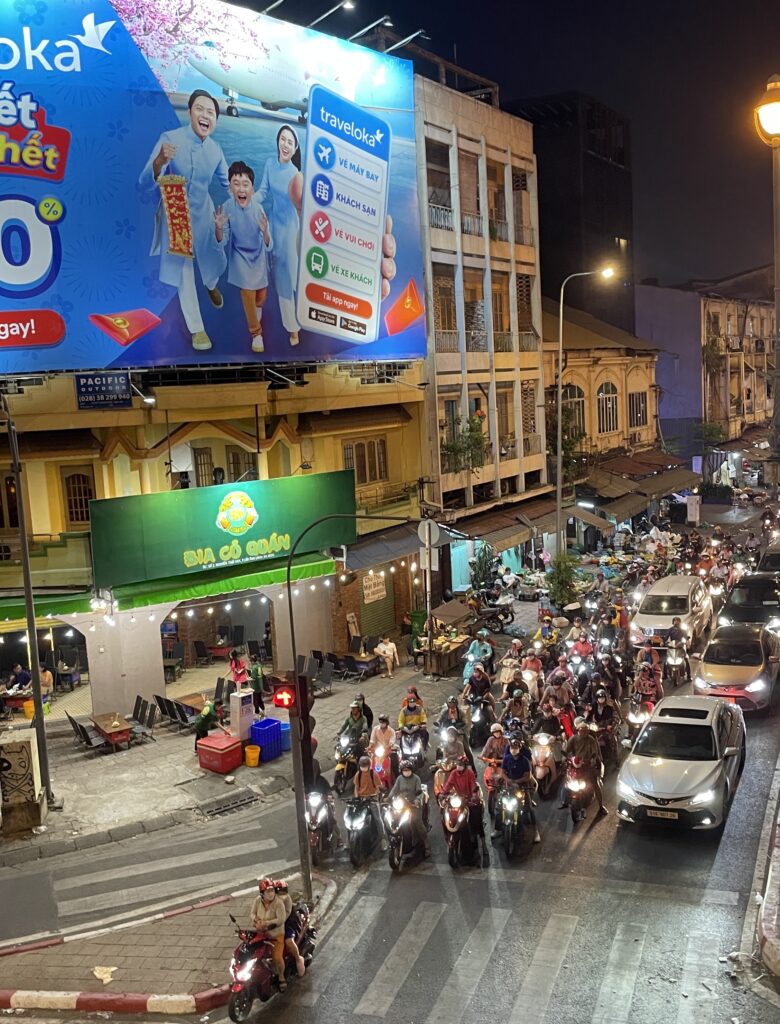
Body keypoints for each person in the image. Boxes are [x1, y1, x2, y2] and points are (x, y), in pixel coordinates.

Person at [139, 89, 228, 352]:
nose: (205, 115)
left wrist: (250, 199)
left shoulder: (215, 149)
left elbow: (228, 182)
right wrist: (159, 161)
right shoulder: (169, 139)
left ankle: (212, 285)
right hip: (175, 208)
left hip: (203, 211)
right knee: (184, 269)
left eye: (211, 112)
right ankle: (197, 328)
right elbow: (143, 182)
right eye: (199, 109)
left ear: (215, 121)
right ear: (189, 112)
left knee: (211, 258)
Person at [214, 160, 272, 352]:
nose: (241, 189)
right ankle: (256, 333)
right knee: (247, 292)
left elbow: (269, 245)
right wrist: (219, 228)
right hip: (239, 255)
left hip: (258, 257)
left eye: (245, 184)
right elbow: (223, 242)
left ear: (252, 189)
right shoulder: (227, 208)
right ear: (230, 188)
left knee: (260, 298)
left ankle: (256, 309)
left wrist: (265, 232)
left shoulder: (258, 209)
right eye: (236, 184)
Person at [255, 125, 304, 345]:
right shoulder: (269, 164)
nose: (285, 145)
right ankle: (292, 326)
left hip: (291, 230)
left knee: (292, 277)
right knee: (281, 277)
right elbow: (263, 192)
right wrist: (246, 199)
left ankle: (301, 321)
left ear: (295, 149)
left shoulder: (296, 174)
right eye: (282, 139)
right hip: (274, 226)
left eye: (290, 142)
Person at [496, 736, 540, 843]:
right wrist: (508, 780)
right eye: (511, 747)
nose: (513, 749)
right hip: (509, 786)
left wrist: (517, 782)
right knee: (499, 807)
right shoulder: (506, 759)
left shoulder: (524, 761)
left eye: (515, 747)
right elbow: (502, 772)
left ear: (519, 749)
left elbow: (527, 776)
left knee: (528, 808)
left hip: (523, 787)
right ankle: (498, 830)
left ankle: (536, 831)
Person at [563, 718, 607, 816]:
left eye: (586, 731)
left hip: (587, 766)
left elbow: (594, 752)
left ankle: (601, 806)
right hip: (576, 765)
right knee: (567, 781)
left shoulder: (591, 740)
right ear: (578, 730)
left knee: (595, 784)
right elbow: (567, 751)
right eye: (582, 730)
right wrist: (566, 758)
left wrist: (592, 760)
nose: (584, 732)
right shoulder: (573, 739)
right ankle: (565, 801)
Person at [251, 879, 290, 988]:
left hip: (276, 936)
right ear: (262, 893)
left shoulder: (278, 903)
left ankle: (281, 977)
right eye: (268, 892)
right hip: (261, 934)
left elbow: (281, 919)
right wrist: (256, 921)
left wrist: (266, 923)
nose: (271, 893)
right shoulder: (258, 901)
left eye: (272, 890)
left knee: (277, 958)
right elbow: (252, 913)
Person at [387, 760, 430, 856]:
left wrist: (417, 800)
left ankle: (426, 845)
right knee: (392, 818)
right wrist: (388, 798)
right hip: (401, 804)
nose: (406, 772)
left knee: (417, 822)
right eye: (404, 770)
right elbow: (394, 790)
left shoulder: (416, 779)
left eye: (408, 770)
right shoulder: (399, 779)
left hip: (413, 804)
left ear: (411, 770)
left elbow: (419, 793)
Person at [442, 755, 485, 839]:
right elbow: (448, 784)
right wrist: (442, 793)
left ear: (465, 765)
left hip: (469, 799)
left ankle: (482, 841)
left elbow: (473, 786)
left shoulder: (470, 773)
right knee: (447, 812)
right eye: (458, 764)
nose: (459, 766)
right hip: (458, 798)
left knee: (476, 817)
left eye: (461, 764)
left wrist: (474, 796)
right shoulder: (454, 773)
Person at [369, 713, 398, 778]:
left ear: (387, 723)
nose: (381, 723)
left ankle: (397, 777)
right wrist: (370, 746)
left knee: (394, 762)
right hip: (377, 751)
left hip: (388, 751)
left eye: (383, 722)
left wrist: (387, 747)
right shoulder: (375, 729)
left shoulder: (391, 731)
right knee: (370, 763)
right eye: (380, 722)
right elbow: (372, 740)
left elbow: (391, 742)